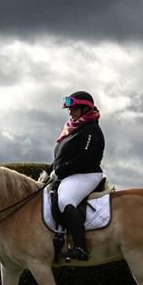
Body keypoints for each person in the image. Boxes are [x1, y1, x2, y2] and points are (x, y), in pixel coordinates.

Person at [47, 92, 105, 261]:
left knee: (65, 200)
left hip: (86, 174)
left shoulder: (91, 130)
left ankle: (81, 247)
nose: (70, 112)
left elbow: (84, 158)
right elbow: (61, 158)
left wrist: (59, 172)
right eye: (69, 109)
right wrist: (48, 170)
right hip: (70, 175)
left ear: (84, 109)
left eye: (73, 109)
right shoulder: (73, 129)